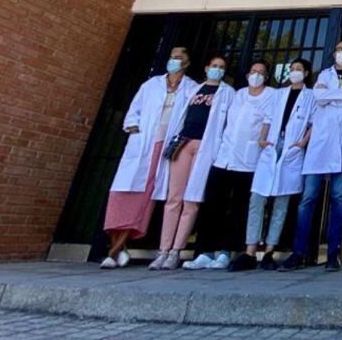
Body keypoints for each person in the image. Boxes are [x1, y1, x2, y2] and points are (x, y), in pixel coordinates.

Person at [101, 47, 198, 269]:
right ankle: (117, 248)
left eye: (178, 58)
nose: (173, 60)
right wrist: (135, 129)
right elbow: (134, 111)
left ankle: (114, 252)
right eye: (171, 56)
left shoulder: (191, 88)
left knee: (146, 197)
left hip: (166, 147)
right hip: (142, 144)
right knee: (121, 194)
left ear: (187, 62)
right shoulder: (151, 84)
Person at [278, 41, 342, 272]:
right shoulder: (323, 75)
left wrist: (331, 95)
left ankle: (333, 255)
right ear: (334, 53)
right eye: (340, 49)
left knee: (339, 199)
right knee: (308, 199)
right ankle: (299, 253)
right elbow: (318, 96)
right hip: (321, 142)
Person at [183, 60, 277, 270]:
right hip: (224, 156)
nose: (256, 75)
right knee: (213, 204)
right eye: (253, 71)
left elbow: (268, 121)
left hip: (248, 159)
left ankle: (226, 251)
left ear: (267, 76)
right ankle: (205, 251)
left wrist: (262, 140)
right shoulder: (238, 94)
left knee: (237, 207)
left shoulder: (271, 95)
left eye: (261, 73)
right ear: (247, 75)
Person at [148, 55, 235, 271]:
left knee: (192, 199)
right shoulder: (192, 89)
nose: (217, 69)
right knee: (173, 197)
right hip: (183, 143)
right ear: (206, 68)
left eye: (221, 67)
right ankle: (163, 250)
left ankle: (177, 251)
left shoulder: (228, 93)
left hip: (206, 147)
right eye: (214, 66)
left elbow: (230, 125)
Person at [236, 57, 315, 271]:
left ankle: (270, 251)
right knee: (257, 199)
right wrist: (263, 139)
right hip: (271, 147)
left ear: (306, 73)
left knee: (281, 203)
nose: (295, 72)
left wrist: (302, 143)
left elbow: (312, 123)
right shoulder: (278, 94)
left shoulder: (311, 96)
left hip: (292, 149)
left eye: (299, 69)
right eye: (292, 69)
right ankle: (250, 250)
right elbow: (268, 119)